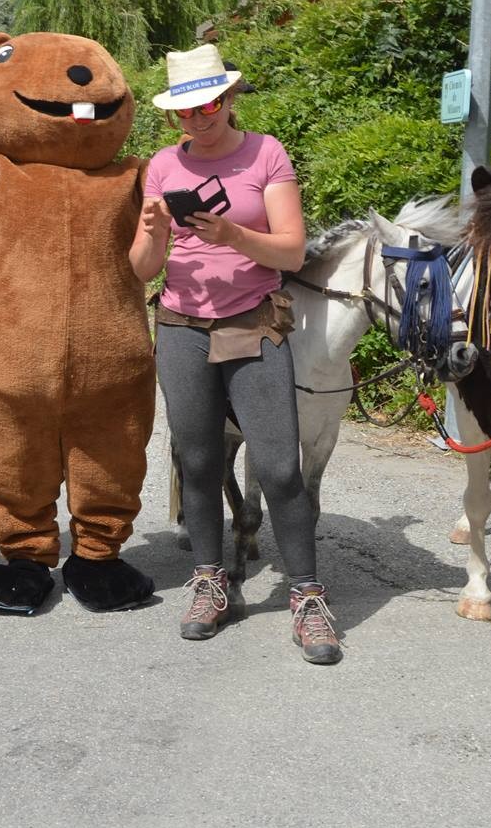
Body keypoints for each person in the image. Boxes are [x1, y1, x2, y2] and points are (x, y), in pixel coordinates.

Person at [128, 44, 340, 665]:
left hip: (254, 322)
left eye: (210, 105)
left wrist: (232, 235)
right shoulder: (163, 166)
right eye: (185, 111)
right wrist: (153, 232)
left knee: (278, 469)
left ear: (228, 99)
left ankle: (306, 596)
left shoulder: (266, 152)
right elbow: (141, 270)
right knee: (197, 462)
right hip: (181, 325)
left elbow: (293, 253)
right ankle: (210, 581)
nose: (198, 119)